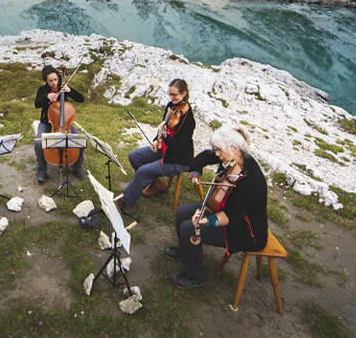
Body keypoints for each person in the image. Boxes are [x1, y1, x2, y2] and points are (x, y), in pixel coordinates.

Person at [166, 126, 268, 290]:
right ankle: (184, 251)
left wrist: (204, 220)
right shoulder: (233, 157)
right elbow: (204, 157)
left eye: (219, 151)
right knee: (181, 213)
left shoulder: (252, 181)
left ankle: (196, 275)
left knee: (189, 228)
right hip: (226, 208)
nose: (217, 155)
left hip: (245, 230)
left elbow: (231, 216)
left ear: (235, 148)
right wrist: (195, 173)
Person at [115, 78, 195, 212]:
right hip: (165, 149)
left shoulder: (189, 120)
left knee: (143, 171)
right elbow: (163, 127)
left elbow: (178, 146)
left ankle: (125, 201)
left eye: (175, 95)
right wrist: (156, 140)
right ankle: (156, 183)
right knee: (134, 156)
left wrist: (165, 137)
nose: (171, 97)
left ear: (184, 94)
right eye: (170, 94)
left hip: (178, 159)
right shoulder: (171, 106)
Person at [33, 65, 86, 183]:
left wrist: (70, 90)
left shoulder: (63, 87)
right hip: (48, 123)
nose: (54, 83)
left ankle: (77, 167)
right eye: (50, 81)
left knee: (80, 140)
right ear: (46, 81)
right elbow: (36, 104)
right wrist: (46, 97)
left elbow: (81, 99)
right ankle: (42, 170)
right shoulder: (43, 90)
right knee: (38, 143)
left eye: (55, 79)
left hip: (65, 124)